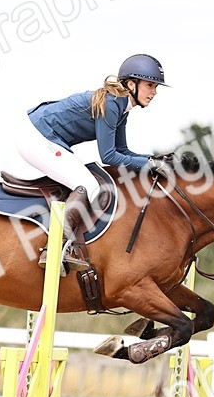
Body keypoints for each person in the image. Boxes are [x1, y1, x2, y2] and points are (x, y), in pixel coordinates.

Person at [16, 53, 172, 270]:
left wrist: (153, 160)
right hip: (36, 136)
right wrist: (150, 165)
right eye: (150, 85)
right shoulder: (112, 104)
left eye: (156, 87)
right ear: (131, 84)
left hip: (45, 136)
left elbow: (122, 151)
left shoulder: (121, 108)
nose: (154, 92)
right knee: (89, 186)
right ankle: (55, 249)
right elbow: (108, 157)